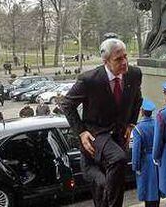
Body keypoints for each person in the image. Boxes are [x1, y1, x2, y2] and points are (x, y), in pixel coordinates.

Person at [61, 38, 143, 207]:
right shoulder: (89, 80)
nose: (124, 62)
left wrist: (131, 124)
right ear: (106, 61)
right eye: (118, 59)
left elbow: (137, 99)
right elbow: (67, 104)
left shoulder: (134, 74)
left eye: (125, 57)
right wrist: (81, 132)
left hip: (119, 136)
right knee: (119, 159)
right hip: (96, 134)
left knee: (115, 182)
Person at [132, 99, 160, 207]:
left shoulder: (138, 128)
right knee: (156, 188)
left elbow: (136, 149)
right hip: (157, 158)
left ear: (142, 111)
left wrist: (136, 166)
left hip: (145, 161)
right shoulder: (157, 124)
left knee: (147, 190)